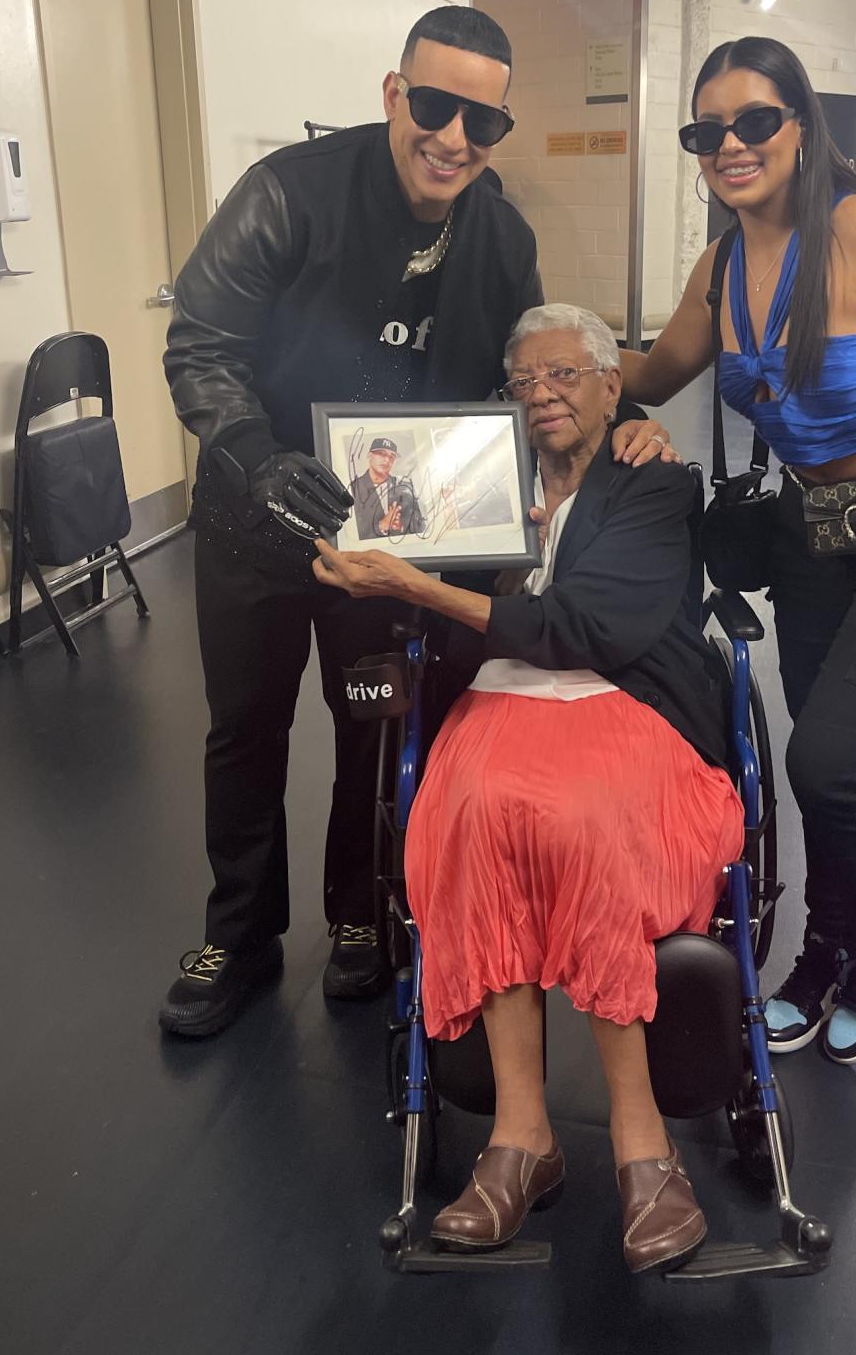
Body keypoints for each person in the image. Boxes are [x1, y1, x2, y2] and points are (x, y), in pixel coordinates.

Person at [159, 5, 676, 1037]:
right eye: (435, 107)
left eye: (482, 123)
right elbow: (200, 346)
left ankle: (360, 915)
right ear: (395, 94)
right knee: (246, 731)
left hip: (388, 538)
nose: (454, 139)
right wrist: (257, 458)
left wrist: (625, 412)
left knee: (374, 722)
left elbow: (526, 367)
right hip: (253, 521)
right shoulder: (285, 197)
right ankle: (241, 934)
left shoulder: (503, 237)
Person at [313, 305, 744, 1273]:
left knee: (582, 820)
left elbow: (582, 629)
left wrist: (418, 590)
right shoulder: (481, 481)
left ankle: (642, 1146)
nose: (542, 394)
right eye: (524, 382)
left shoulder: (652, 480)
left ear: (610, 387)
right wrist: (387, 563)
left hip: (626, 700)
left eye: (565, 375)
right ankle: (522, 1139)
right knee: (470, 816)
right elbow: (407, 539)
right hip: (507, 701)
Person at [617, 36, 856, 1066]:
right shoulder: (722, 267)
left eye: (755, 122)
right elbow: (646, 376)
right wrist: (542, 365)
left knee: (826, 761)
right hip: (812, 540)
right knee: (815, 761)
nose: (732, 145)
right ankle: (826, 949)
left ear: (800, 124)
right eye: (709, 132)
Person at [351, 438, 425, 540]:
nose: (387, 460)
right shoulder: (353, 489)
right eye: (381, 454)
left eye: (392, 456)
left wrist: (403, 528)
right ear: (369, 455)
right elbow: (351, 539)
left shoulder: (406, 488)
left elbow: (420, 529)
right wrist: (381, 527)